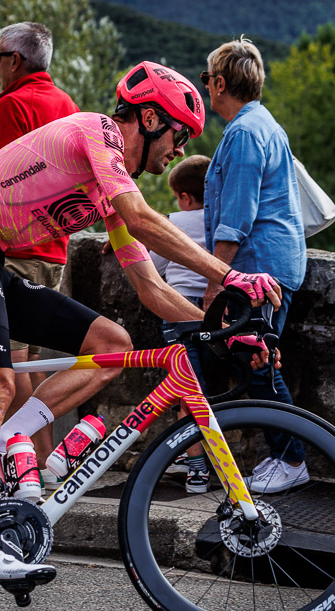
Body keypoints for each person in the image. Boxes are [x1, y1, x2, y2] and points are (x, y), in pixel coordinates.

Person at [0, 61, 281, 586]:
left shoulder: (111, 187)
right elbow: (142, 220)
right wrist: (231, 276)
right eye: (179, 134)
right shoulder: (98, 132)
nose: (179, 148)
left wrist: (220, 328)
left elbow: (151, 289)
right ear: (150, 118)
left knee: (111, 342)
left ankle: (8, 437)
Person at [200, 37, 308, 494]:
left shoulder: (243, 133)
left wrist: (215, 280)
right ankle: (284, 456)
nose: (206, 87)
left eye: (207, 79)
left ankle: (291, 459)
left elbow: (236, 218)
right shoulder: (264, 124)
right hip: (273, 262)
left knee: (258, 361)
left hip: (257, 266)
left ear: (220, 82)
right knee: (260, 357)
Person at [0, 22, 79, 480]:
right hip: (55, 250)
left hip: (17, 247)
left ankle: (31, 465)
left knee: (10, 362)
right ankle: (46, 457)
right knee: (32, 362)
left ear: (15, 61)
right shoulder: (66, 105)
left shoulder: (12, 106)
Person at [150, 154, 211, 493]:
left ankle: (197, 468)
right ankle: (196, 456)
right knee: (204, 388)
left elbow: (152, 268)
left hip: (178, 312)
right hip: (215, 314)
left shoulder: (173, 223)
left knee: (187, 391)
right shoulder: (220, 222)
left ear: (184, 198)